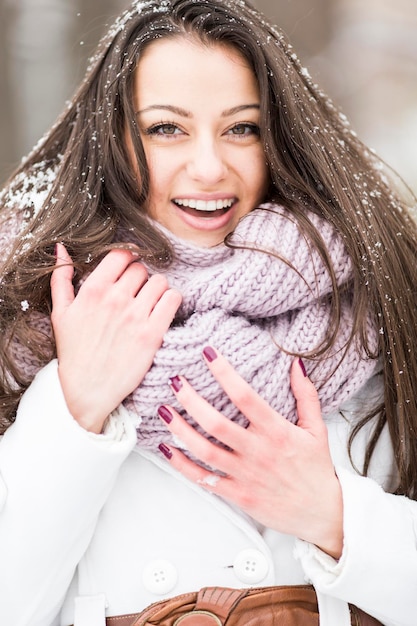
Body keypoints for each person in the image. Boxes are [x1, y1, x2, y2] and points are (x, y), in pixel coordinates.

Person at [0, 1, 416, 624]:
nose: (208, 167)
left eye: (241, 128)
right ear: (111, 142)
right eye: (165, 128)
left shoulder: (379, 302)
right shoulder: (28, 320)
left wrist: (335, 518)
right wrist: (73, 409)